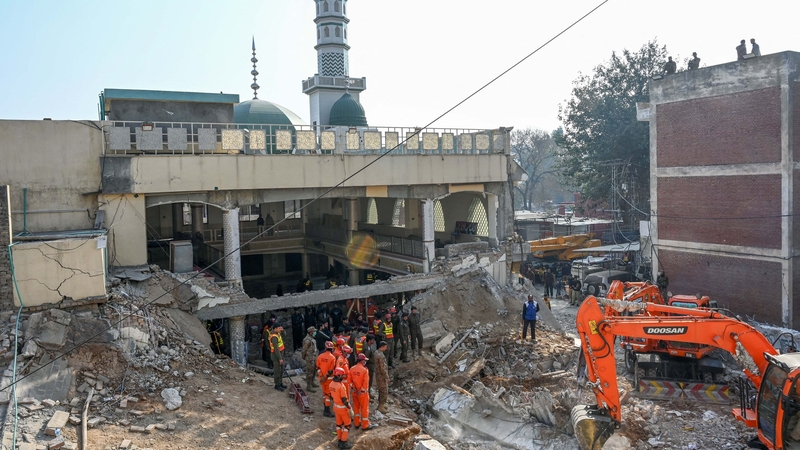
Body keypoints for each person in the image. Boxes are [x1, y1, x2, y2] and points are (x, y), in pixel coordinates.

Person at [350, 353, 376, 431]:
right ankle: (365, 425)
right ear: (362, 361)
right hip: (362, 394)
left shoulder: (352, 369)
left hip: (354, 392)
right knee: (364, 409)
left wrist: (354, 388)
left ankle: (357, 424)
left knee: (356, 408)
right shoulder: (365, 370)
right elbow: (365, 383)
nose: (365, 362)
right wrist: (361, 390)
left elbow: (349, 381)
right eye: (364, 360)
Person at [329, 367, 353, 449]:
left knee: (338, 424)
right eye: (342, 375)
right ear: (339, 376)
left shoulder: (331, 384)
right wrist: (349, 408)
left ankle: (339, 440)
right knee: (347, 425)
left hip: (336, 407)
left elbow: (332, 397)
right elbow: (344, 400)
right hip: (343, 409)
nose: (343, 377)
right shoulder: (341, 386)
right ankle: (343, 443)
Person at [317, 341, 337, 417]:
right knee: (328, 394)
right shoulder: (332, 358)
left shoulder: (320, 356)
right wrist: (325, 377)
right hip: (329, 379)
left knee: (324, 393)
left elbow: (318, 368)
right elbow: (331, 370)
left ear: (325, 348)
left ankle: (325, 406)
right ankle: (327, 410)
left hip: (321, 379)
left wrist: (321, 376)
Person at [374, 341, 390, 414]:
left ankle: (382, 404)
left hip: (378, 374)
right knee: (384, 390)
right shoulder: (381, 356)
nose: (386, 349)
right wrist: (387, 377)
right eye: (385, 347)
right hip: (381, 375)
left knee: (381, 389)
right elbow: (383, 368)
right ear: (382, 346)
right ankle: (381, 406)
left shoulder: (376, 353)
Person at [301, 326, 319, 393]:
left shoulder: (312, 339)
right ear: (310, 332)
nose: (315, 332)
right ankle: (308, 386)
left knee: (314, 370)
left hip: (314, 356)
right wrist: (304, 356)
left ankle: (312, 382)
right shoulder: (307, 340)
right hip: (309, 358)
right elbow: (304, 350)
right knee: (310, 371)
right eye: (314, 331)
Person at [269, 325, 287, 391]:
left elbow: (284, 335)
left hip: (280, 354)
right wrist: (280, 358)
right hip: (276, 356)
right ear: (275, 328)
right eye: (279, 328)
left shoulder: (278, 333)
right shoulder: (274, 337)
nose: (280, 329)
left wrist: (283, 330)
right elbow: (276, 349)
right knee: (277, 370)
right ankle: (277, 384)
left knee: (281, 370)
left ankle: (280, 382)